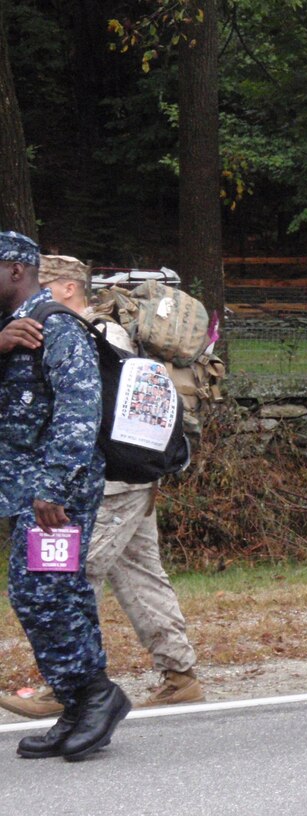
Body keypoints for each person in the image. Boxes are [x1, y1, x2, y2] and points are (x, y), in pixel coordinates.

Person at [0, 255, 204, 720]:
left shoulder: (87, 334)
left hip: (109, 483)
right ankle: (180, 674)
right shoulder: (89, 330)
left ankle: (69, 683)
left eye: (46, 285)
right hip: (126, 479)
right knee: (139, 573)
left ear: (68, 287)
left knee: (69, 573)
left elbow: (86, 415)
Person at [0, 231, 130, 760]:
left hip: (56, 494)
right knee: (58, 593)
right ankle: (80, 704)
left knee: (42, 592)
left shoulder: (55, 326)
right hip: (27, 492)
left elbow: (80, 411)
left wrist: (54, 485)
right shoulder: (12, 331)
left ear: (15, 270)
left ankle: (95, 696)